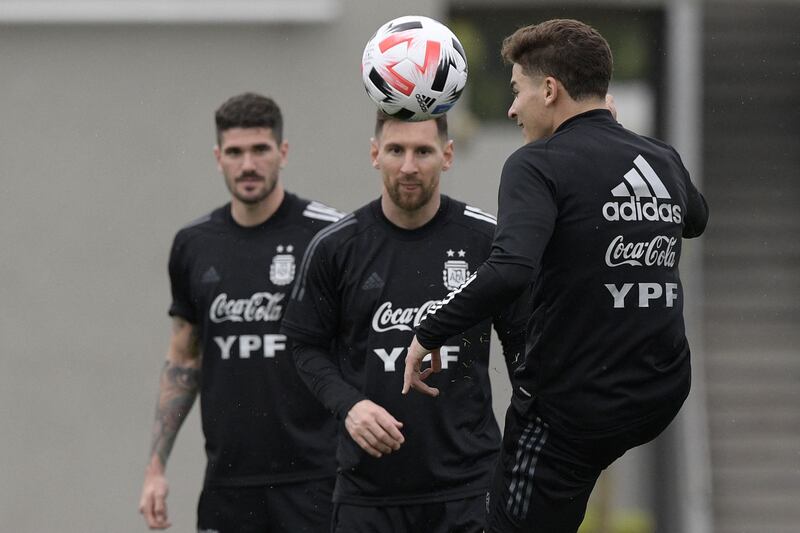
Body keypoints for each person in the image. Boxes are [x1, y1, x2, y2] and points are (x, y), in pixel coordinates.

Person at [402, 19, 709, 533]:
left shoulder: (535, 164)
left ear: (550, 90)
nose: (511, 108)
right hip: (660, 390)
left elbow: (510, 270)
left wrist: (429, 331)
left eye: (517, 91)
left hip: (576, 406)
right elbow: (695, 219)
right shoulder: (659, 157)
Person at [279, 111, 528, 533]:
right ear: (375, 154)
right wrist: (350, 406)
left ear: (447, 156)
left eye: (423, 151)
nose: (409, 166)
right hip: (367, 495)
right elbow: (305, 346)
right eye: (396, 150)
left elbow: (527, 350)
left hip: (467, 491)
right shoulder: (337, 248)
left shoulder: (487, 242)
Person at [137, 92, 344, 532]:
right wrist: (156, 467)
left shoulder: (329, 236)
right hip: (228, 486)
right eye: (235, 152)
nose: (247, 164)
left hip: (317, 483)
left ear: (282, 153)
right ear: (218, 158)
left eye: (260, 150)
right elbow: (183, 358)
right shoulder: (194, 244)